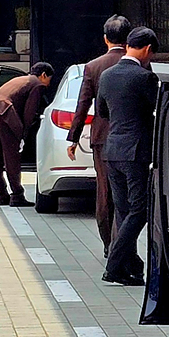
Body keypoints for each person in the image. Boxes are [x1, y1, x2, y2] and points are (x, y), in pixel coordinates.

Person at [97, 27, 161, 285]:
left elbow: (102, 111)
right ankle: (114, 266)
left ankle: (130, 266)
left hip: (112, 150)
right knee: (140, 209)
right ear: (147, 49)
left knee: (123, 211)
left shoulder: (107, 75)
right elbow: (159, 110)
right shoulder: (145, 77)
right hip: (135, 152)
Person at [68, 14, 132, 252]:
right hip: (131, 137)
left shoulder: (93, 67)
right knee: (128, 193)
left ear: (105, 38)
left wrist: (73, 138)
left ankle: (108, 244)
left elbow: (83, 104)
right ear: (128, 38)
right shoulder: (138, 64)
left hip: (102, 137)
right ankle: (123, 242)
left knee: (105, 192)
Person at [0, 61, 54, 207]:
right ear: (43, 75)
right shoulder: (36, 84)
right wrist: (23, 135)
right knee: (11, 156)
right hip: (3, 113)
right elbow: (29, 113)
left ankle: (1, 195)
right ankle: (17, 195)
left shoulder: (19, 79)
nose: (48, 84)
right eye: (49, 80)